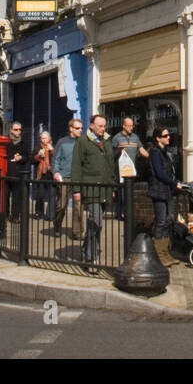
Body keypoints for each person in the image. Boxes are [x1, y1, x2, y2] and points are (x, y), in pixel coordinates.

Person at [72, 114, 118, 269]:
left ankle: (86, 251)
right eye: (100, 126)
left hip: (104, 188)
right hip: (90, 188)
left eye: (104, 126)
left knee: (97, 224)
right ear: (91, 126)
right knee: (96, 221)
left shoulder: (107, 141)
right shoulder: (83, 141)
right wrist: (76, 189)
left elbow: (111, 165)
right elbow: (76, 166)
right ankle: (91, 259)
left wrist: (111, 186)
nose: (103, 128)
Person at [147, 126, 182, 265]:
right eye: (165, 135)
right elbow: (160, 173)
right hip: (158, 191)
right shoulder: (155, 152)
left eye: (168, 135)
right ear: (158, 138)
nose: (169, 137)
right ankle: (159, 255)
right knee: (161, 222)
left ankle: (166, 253)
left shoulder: (164, 152)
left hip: (167, 191)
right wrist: (174, 183)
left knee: (168, 221)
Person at [111, 117, 148, 220]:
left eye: (132, 125)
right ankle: (122, 213)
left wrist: (151, 156)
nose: (132, 127)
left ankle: (121, 213)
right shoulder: (116, 138)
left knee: (129, 192)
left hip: (132, 170)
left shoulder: (135, 137)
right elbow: (111, 154)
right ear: (123, 126)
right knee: (122, 193)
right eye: (129, 125)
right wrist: (119, 151)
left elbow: (141, 150)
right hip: (121, 170)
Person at [52, 118, 83, 237]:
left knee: (78, 206)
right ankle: (57, 226)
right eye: (77, 128)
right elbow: (56, 158)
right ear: (71, 129)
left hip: (78, 179)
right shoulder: (62, 142)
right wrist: (55, 172)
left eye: (81, 128)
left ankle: (77, 232)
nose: (80, 130)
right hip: (64, 178)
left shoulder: (83, 142)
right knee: (61, 205)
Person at [5, 123, 28, 222]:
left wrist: (21, 157)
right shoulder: (5, 141)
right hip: (6, 173)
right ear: (11, 130)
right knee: (5, 196)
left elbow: (28, 157)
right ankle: (5, 215)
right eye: (16, 129)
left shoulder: (23, 143)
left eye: (20, 129)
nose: (18, 131)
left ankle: (15, 216)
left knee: (16, 197)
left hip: (18, 173)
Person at [33, 130, 56, 221]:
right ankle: (39, 212)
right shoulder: (38, 148)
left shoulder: (53, 148)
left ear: (49, 138)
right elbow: (32, 160)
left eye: (45, 138)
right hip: (41, 174)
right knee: (40, 195)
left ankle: (50, 215)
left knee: (52, 195)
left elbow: (58, 158)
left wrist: (52, 151)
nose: (44, 140)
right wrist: (38, 155)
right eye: (42, 138)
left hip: (51, 174)